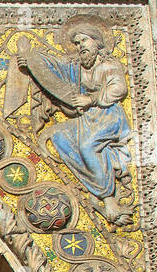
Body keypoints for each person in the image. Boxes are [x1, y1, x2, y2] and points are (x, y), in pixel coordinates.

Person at [9, 21, 134, 224]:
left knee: (87, 145)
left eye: (84, 41)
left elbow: (119, 89)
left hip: (109, 117)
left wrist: (91, 99)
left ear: (97, 42)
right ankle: (92, 186)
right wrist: (32, 63)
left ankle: (108, 198)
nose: (80, 46)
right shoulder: (78, 67)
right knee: (58, 136)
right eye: (76, 43)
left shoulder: (109, 65)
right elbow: (56, 69)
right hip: (88, 119)